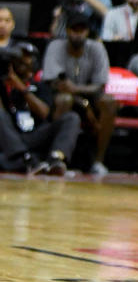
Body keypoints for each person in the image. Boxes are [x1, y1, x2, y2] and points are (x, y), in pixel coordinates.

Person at [41, 13, 117, 175]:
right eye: (74, 30)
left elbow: (100, 84)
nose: (77, 34)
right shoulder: (56, 46)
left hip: (90, 96)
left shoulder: (96, 48)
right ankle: (56, 157)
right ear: (67, 31)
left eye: (81, 30)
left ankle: (98, 161)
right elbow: (54, 82)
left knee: (109, 102)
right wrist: (81, 102)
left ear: (88, 32)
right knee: (64, 99)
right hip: (61, 98)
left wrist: (78, 92)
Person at [0, 42, 81, 175]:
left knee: (72, 118)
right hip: (11, 139)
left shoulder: (40, 86)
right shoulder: (2, 85)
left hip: (36, 135)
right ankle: (25, 159)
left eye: (28, 57)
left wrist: (23, 89)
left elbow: (44, 113)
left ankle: (55, 159)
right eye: (20, 57)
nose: (23, 61)